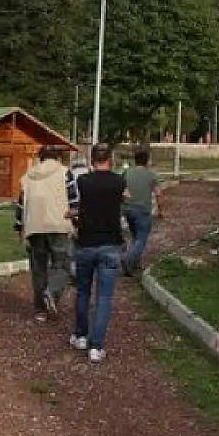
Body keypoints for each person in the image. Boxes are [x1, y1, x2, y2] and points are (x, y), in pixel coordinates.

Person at [70, 141, 126, 363]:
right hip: (110, 244)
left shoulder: (83, 181)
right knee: (103, 296)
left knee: (83, 291)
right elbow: (125, 195)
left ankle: (81, 335)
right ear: (110, 160)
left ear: (92, 161)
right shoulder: (119, 181)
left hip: (86, 243)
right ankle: (96, 347)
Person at [13, 146, 80, 321]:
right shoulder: (65, 173)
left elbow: (21, 204)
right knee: (63, 265)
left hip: (34, 227)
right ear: (56, 157)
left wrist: (18, 228)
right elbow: (74, 201)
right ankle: (51, 293)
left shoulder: (28, 176)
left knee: (38, 269)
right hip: (58, 225)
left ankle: (40, 311)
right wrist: (77, 224)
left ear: (40, 158)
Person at [121, 145, 162, 276]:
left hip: (127, 210)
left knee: (135, 237)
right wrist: (160, 210)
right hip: (142, 211)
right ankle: (127, 259)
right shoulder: (151, 175)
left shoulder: (127, 173)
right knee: (141, 239)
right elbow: (158, 194)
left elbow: (121, 191)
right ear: (147, 161)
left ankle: (135, 264)